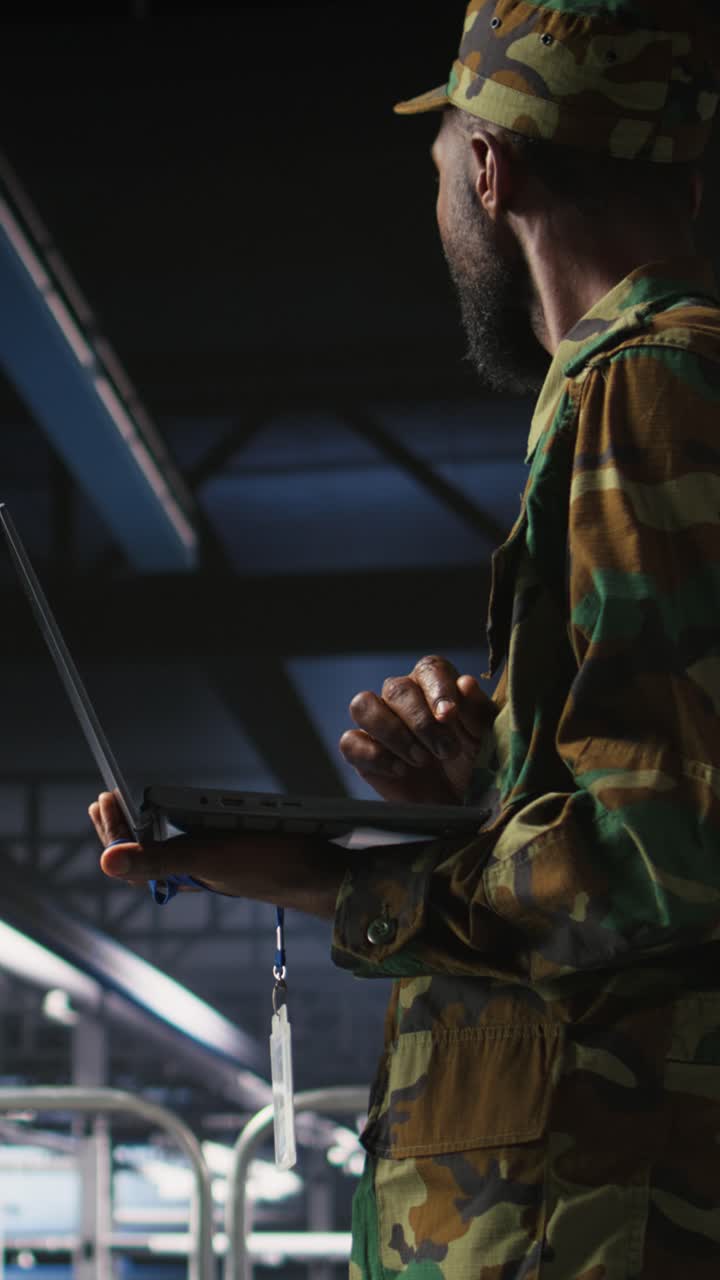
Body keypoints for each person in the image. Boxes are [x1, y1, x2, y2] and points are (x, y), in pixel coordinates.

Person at [90, 0, 720, 1274]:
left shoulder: (643, 385)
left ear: (491, 166)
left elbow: (664, 856)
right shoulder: (647, 385)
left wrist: (331, 879)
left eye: (442, 162)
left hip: (607, 1208)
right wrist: (489, 784)